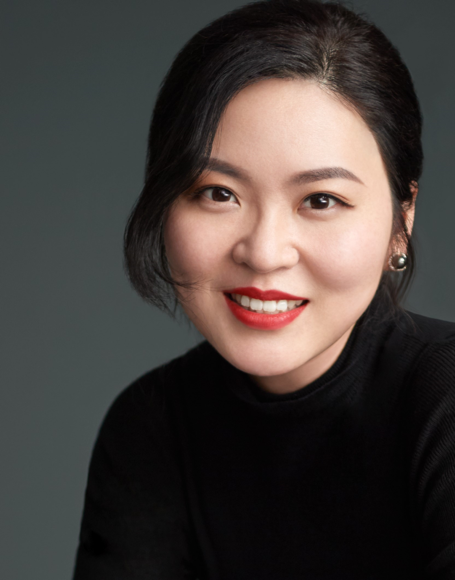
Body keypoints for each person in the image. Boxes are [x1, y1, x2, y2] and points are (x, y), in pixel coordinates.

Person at [72, 0, 455, 578]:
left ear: (402, 221)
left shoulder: (443, 396)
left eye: (321, 200)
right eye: (218, 193)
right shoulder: (151, 425)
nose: (264, 252)